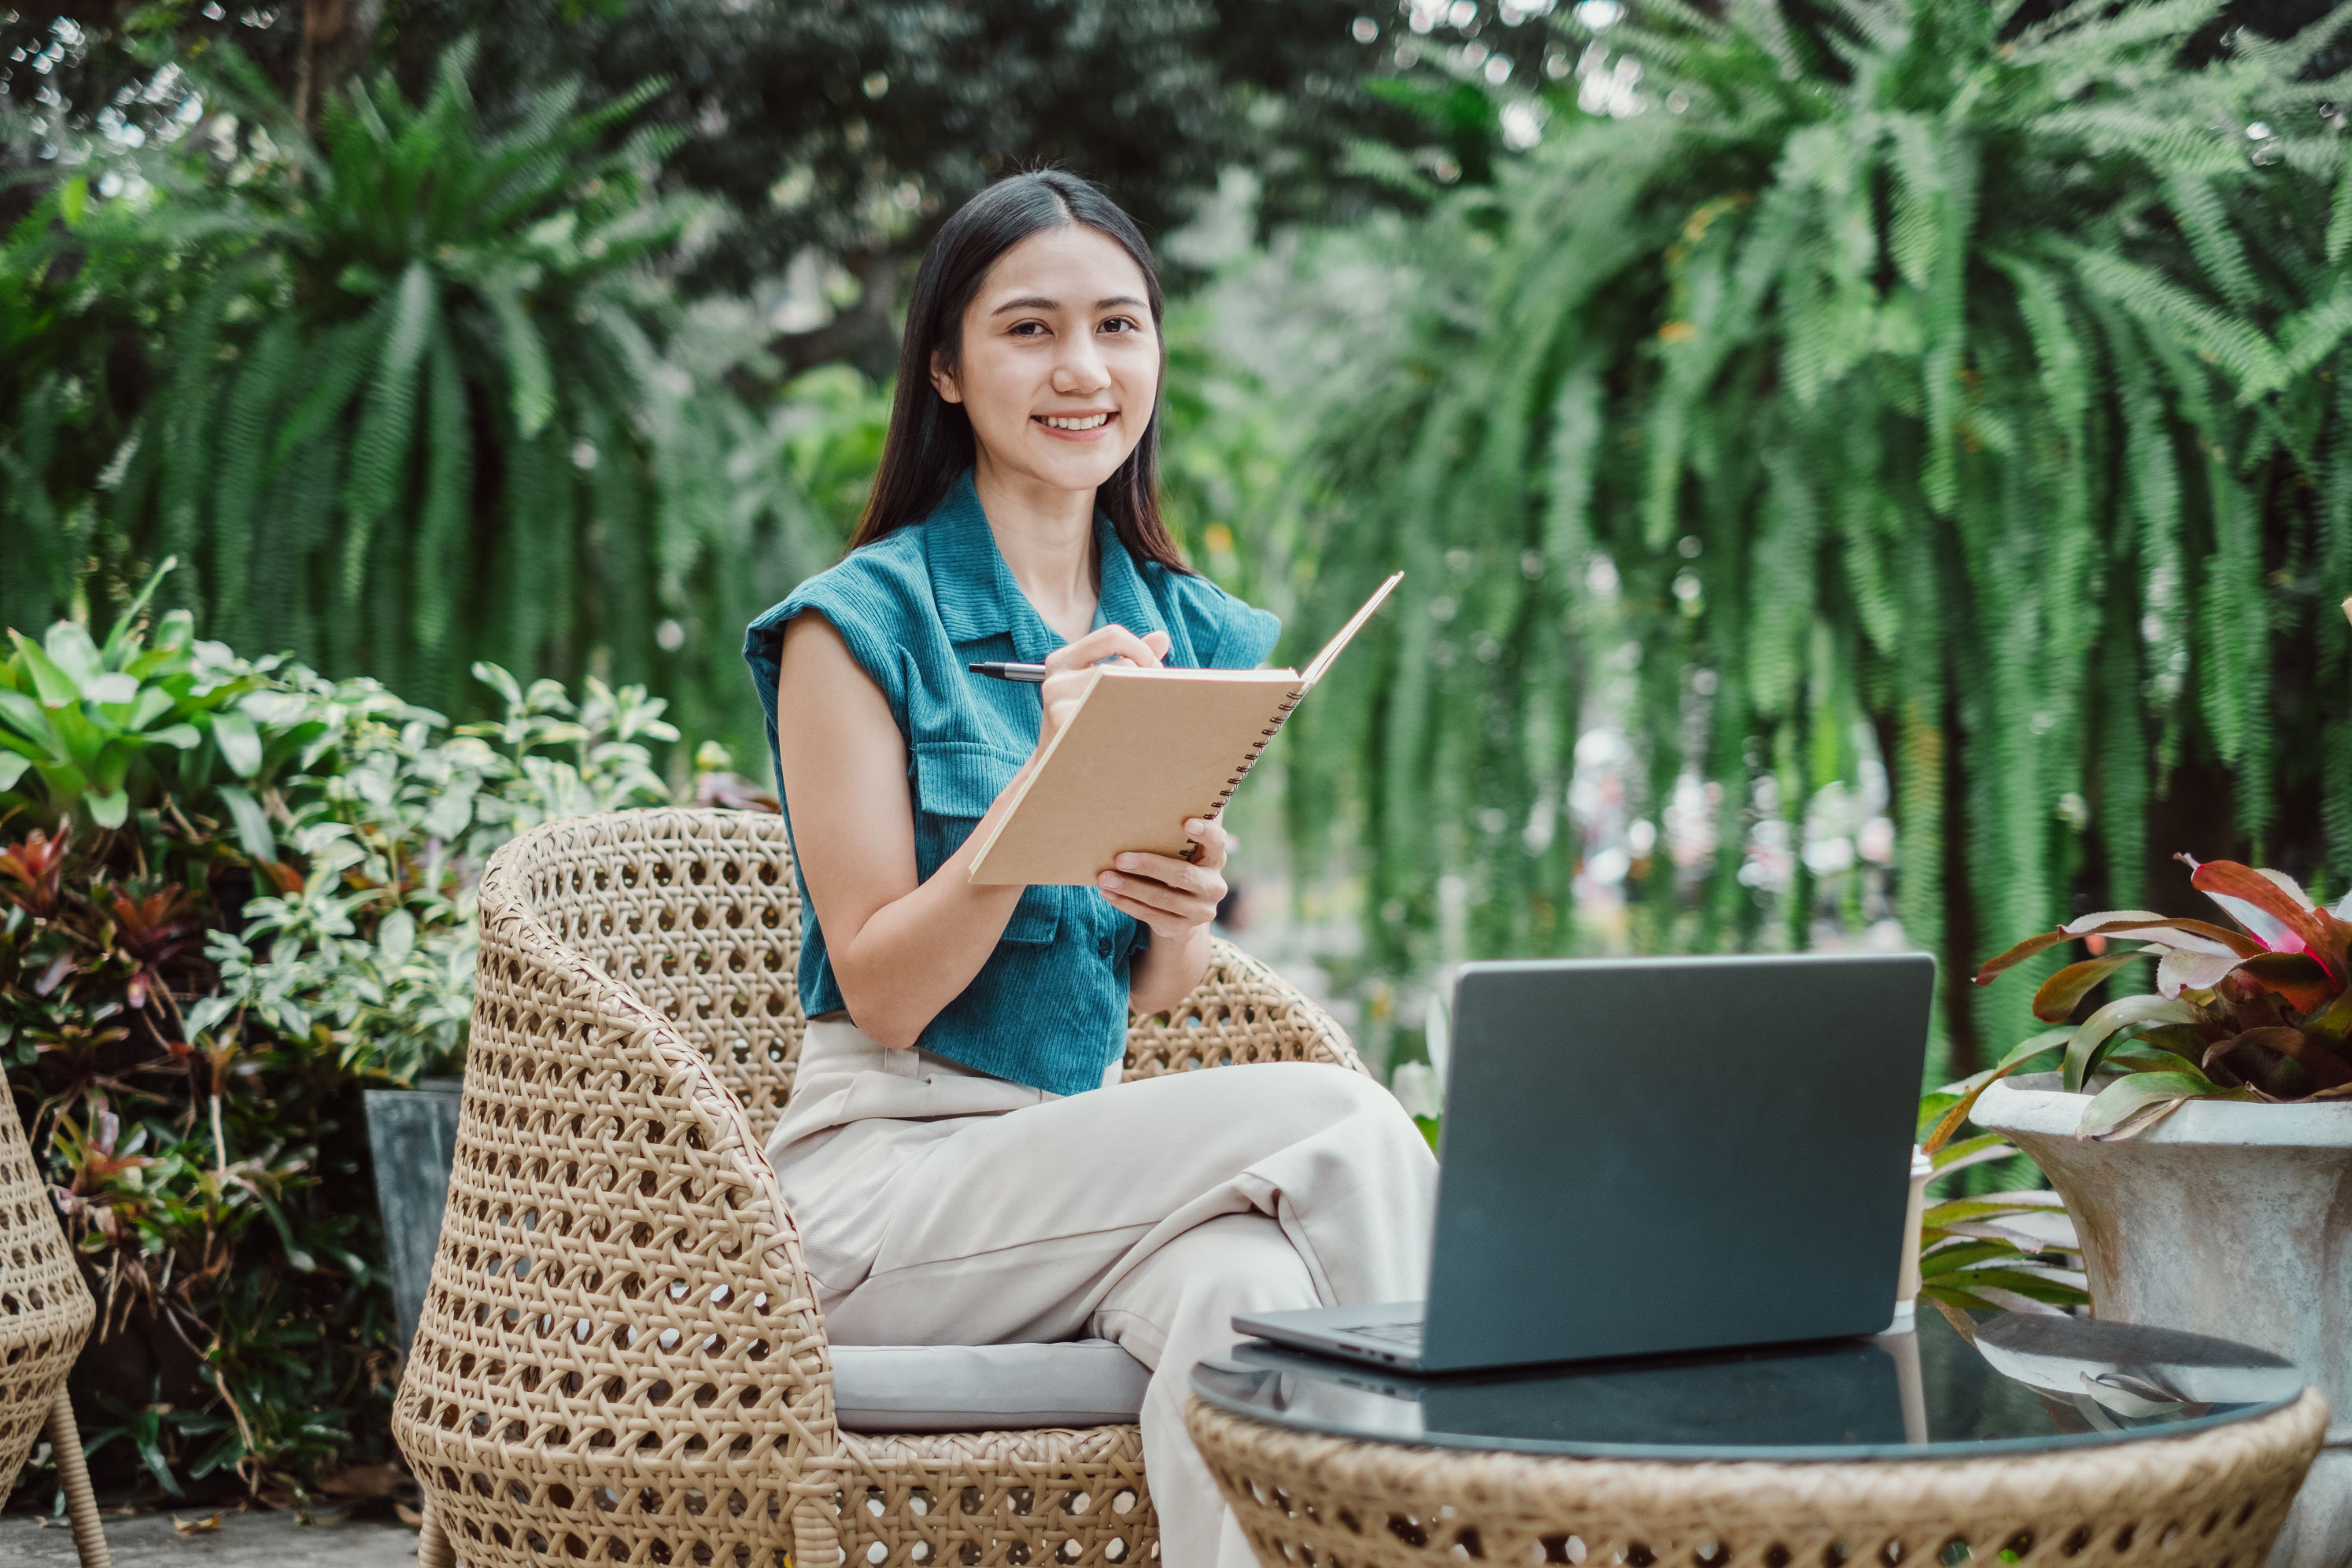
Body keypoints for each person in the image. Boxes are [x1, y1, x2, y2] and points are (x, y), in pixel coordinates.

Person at [743, 170, 1436, 1568]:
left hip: (1083, 1166)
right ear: (944, 364)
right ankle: (1503, 1510)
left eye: (1119, 327)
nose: (1082, 370)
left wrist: (1178, 918)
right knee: (1345, 1118)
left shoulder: (1186, 627)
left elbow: (1152, 989)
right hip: (886, 1188)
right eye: (1029, 329)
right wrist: (1033, 803)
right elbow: (882, 993)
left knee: (1241, 1304)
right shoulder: (855, 626)